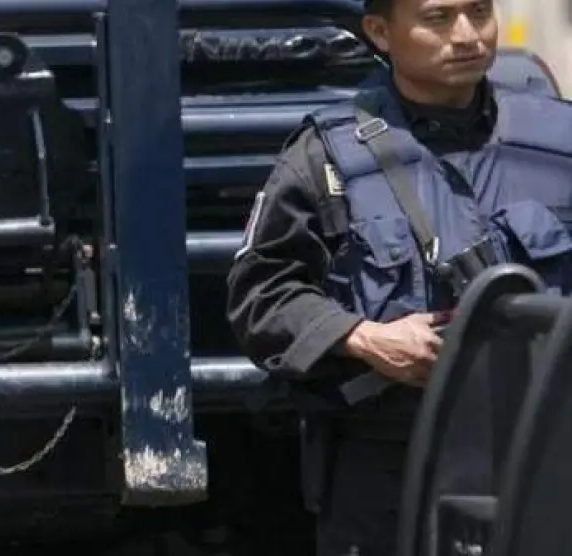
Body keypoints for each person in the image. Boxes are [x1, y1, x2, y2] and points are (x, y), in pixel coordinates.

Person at [225, 0, 572, 554]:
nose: (467, 35)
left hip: (544, 463)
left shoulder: (558, 141)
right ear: (380, 32)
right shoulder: (328, 157)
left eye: (479, 11)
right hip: (390, 472)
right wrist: (365, 339)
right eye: (438, 18)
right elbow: (261, 297)